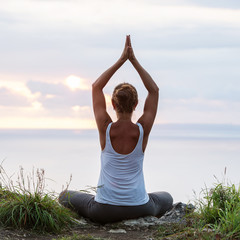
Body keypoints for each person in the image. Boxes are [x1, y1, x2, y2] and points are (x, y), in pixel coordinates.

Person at [59, 35, 173, 224]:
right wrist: (133, 61)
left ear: (112, 103)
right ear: (136, 104)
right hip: (140, 207)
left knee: (64, 195)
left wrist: (121, 60)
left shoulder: (106, 128)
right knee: (166, 197)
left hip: (103, 210)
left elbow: (96, 87)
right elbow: (154, 91)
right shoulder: (142, 130)